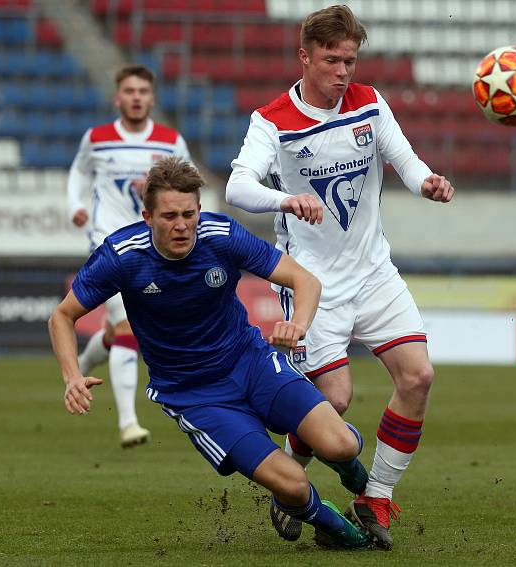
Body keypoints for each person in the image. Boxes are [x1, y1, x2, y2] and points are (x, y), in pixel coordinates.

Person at [48, 157, 370, 550]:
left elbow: (305, 281)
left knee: (342, 444)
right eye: (169, 216)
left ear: (200, 210)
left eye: (189, 213)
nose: (181, 225)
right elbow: (63, 316)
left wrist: (298, 325)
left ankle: (348, 467)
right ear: (148, 216)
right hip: (194, 394)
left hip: (250, 362)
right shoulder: (122, 255)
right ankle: (332, 526)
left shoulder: (223, 236)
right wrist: (71, 377)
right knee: (295, 485)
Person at [225, 4, 455, 550]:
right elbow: (237, 187)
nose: (343, 71)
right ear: (304, 57)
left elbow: (407, 160)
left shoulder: (370, 104)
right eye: (332, 59)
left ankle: (374, 496)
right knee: (337, 398)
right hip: (311, 281)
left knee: (418, 376)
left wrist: (427, 183)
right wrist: (285, 198)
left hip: (373, 270)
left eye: (350, 59)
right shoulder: (273, 120)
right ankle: (288, 480)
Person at [67, 64, 190, 448]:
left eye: (142, 92)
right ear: (117, 97)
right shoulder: (98, 138)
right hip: (107, 241)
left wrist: (154, 186)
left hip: (150, 244)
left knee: (117, 330)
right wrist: (76, 204)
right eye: (129, 91)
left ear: (152, 98)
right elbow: (79, 173)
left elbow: (187, 183)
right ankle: (128, 423)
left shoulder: (171, 141)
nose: (136, 97)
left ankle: (87, 360)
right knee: (127, 328)